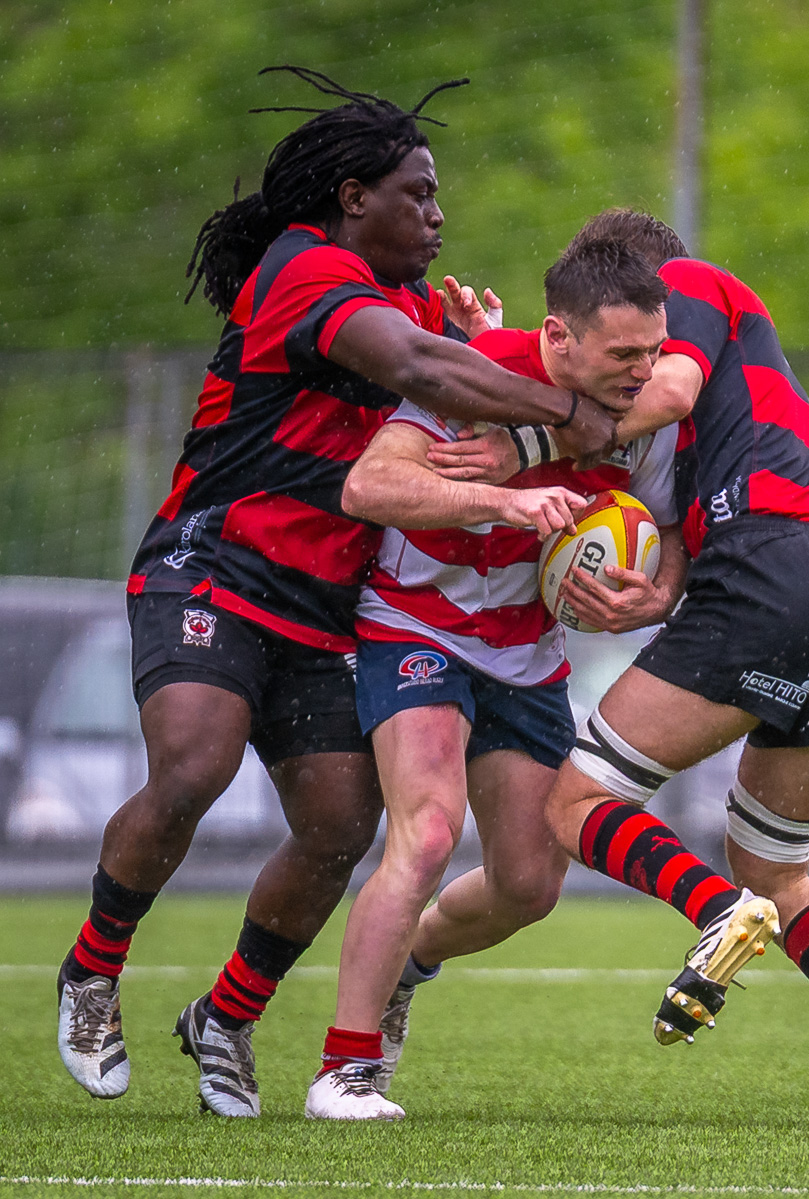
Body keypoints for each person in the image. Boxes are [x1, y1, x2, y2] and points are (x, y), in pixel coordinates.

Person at [53, 66, 624, 1119]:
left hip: (328, 604)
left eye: (439, 195)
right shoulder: (305, 270)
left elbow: (440, 370)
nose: (438, 215)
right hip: (216, 565)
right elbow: (423, 369)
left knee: (338, 822)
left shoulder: (407, 299)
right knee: (195, 762)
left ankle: (226, 1015)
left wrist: (483, 351)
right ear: (352, 196)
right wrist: (569, 415)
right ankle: (93, 970)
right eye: (419, 193)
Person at [431, 207, 809, 1129]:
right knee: (778, 866)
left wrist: (525, 440)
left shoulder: (688, 289)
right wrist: (506, 350)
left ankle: (717, 911)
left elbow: (667, 395)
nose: (635, 356)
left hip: (770, 573)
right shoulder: (733, 375)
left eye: (638, 329)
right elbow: (668, 500)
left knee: (572, 805)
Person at [303, 235, 687, 1120]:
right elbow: (367, 485)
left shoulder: (642, 418)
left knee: (528, 884)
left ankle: (407, 966)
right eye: (625, 354)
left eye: (654, 351)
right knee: (429, 833)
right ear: (559, 338)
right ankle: (344, 1067)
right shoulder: (472, 372)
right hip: (415, 626)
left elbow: (670, 533)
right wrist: (503, 499)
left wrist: (654, 595)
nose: (644, 371)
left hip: (527, 655)